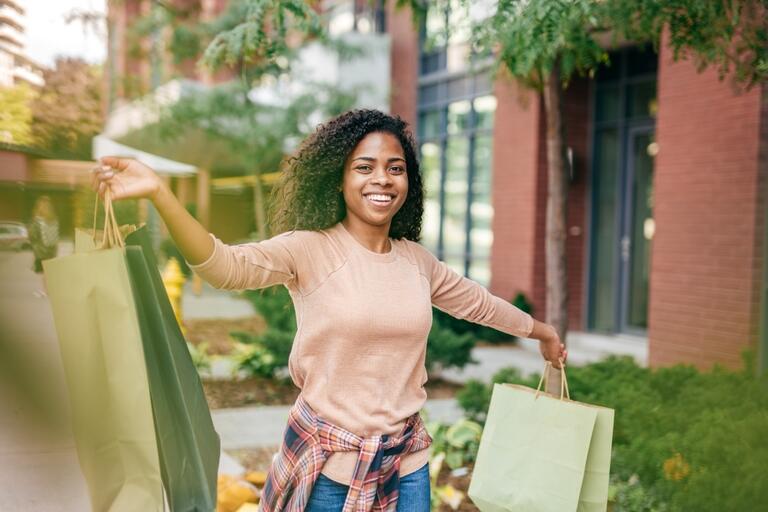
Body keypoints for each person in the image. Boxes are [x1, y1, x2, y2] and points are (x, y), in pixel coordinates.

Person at [92, 109, 567, 512]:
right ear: (338, 180)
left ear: (408, 181)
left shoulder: (417, 261)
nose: (381, 178)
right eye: (364, 167)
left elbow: (477, 304)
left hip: (409, 468)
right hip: (328, 471)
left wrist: (540, 331)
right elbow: (224, 266)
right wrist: (160, 194)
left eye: (395, 168)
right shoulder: (309, 250)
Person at [28, 195, 59, 286]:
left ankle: (46, 289)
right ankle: (48, 288)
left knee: (44, 273)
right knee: (47, 272)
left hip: (41, 252)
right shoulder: (54, 219)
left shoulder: (37, 221)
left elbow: (32, 235)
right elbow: (56, 236)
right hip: (51, 251)